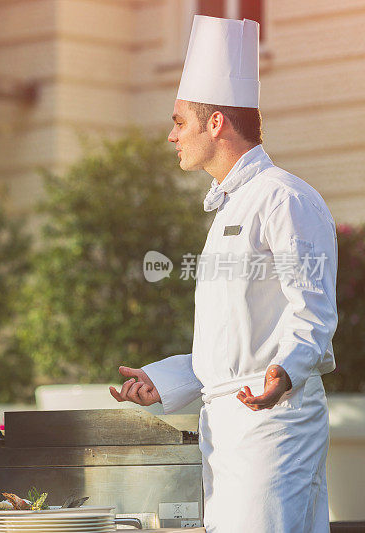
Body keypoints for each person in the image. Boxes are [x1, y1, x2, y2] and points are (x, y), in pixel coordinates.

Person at [109, 16, 337, 533]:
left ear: (216, 124)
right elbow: (235, 346)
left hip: (274, 426)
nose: (171, 136)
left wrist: (286, 372)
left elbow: (314, 310)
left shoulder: (284, 197)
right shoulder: (233, 208)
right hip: (230, 430)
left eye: (179, 122)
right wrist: (163, 381)